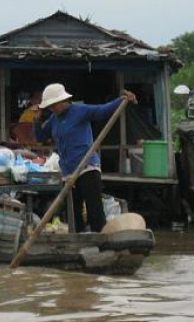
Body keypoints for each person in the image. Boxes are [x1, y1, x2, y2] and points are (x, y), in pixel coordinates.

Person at [34, 83, 137, 232]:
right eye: (49, 106)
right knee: (74, 214)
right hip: (68, 172)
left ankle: (100, 240)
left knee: (94, 210)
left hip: (86, 167)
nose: (52, 109)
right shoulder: (54, 119)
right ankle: (78, 241)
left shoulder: (80, 111)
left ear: (62, 101)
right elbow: (40, 137)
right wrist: (36, 121)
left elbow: (103, 110)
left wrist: (122, 100)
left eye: (53, 105)